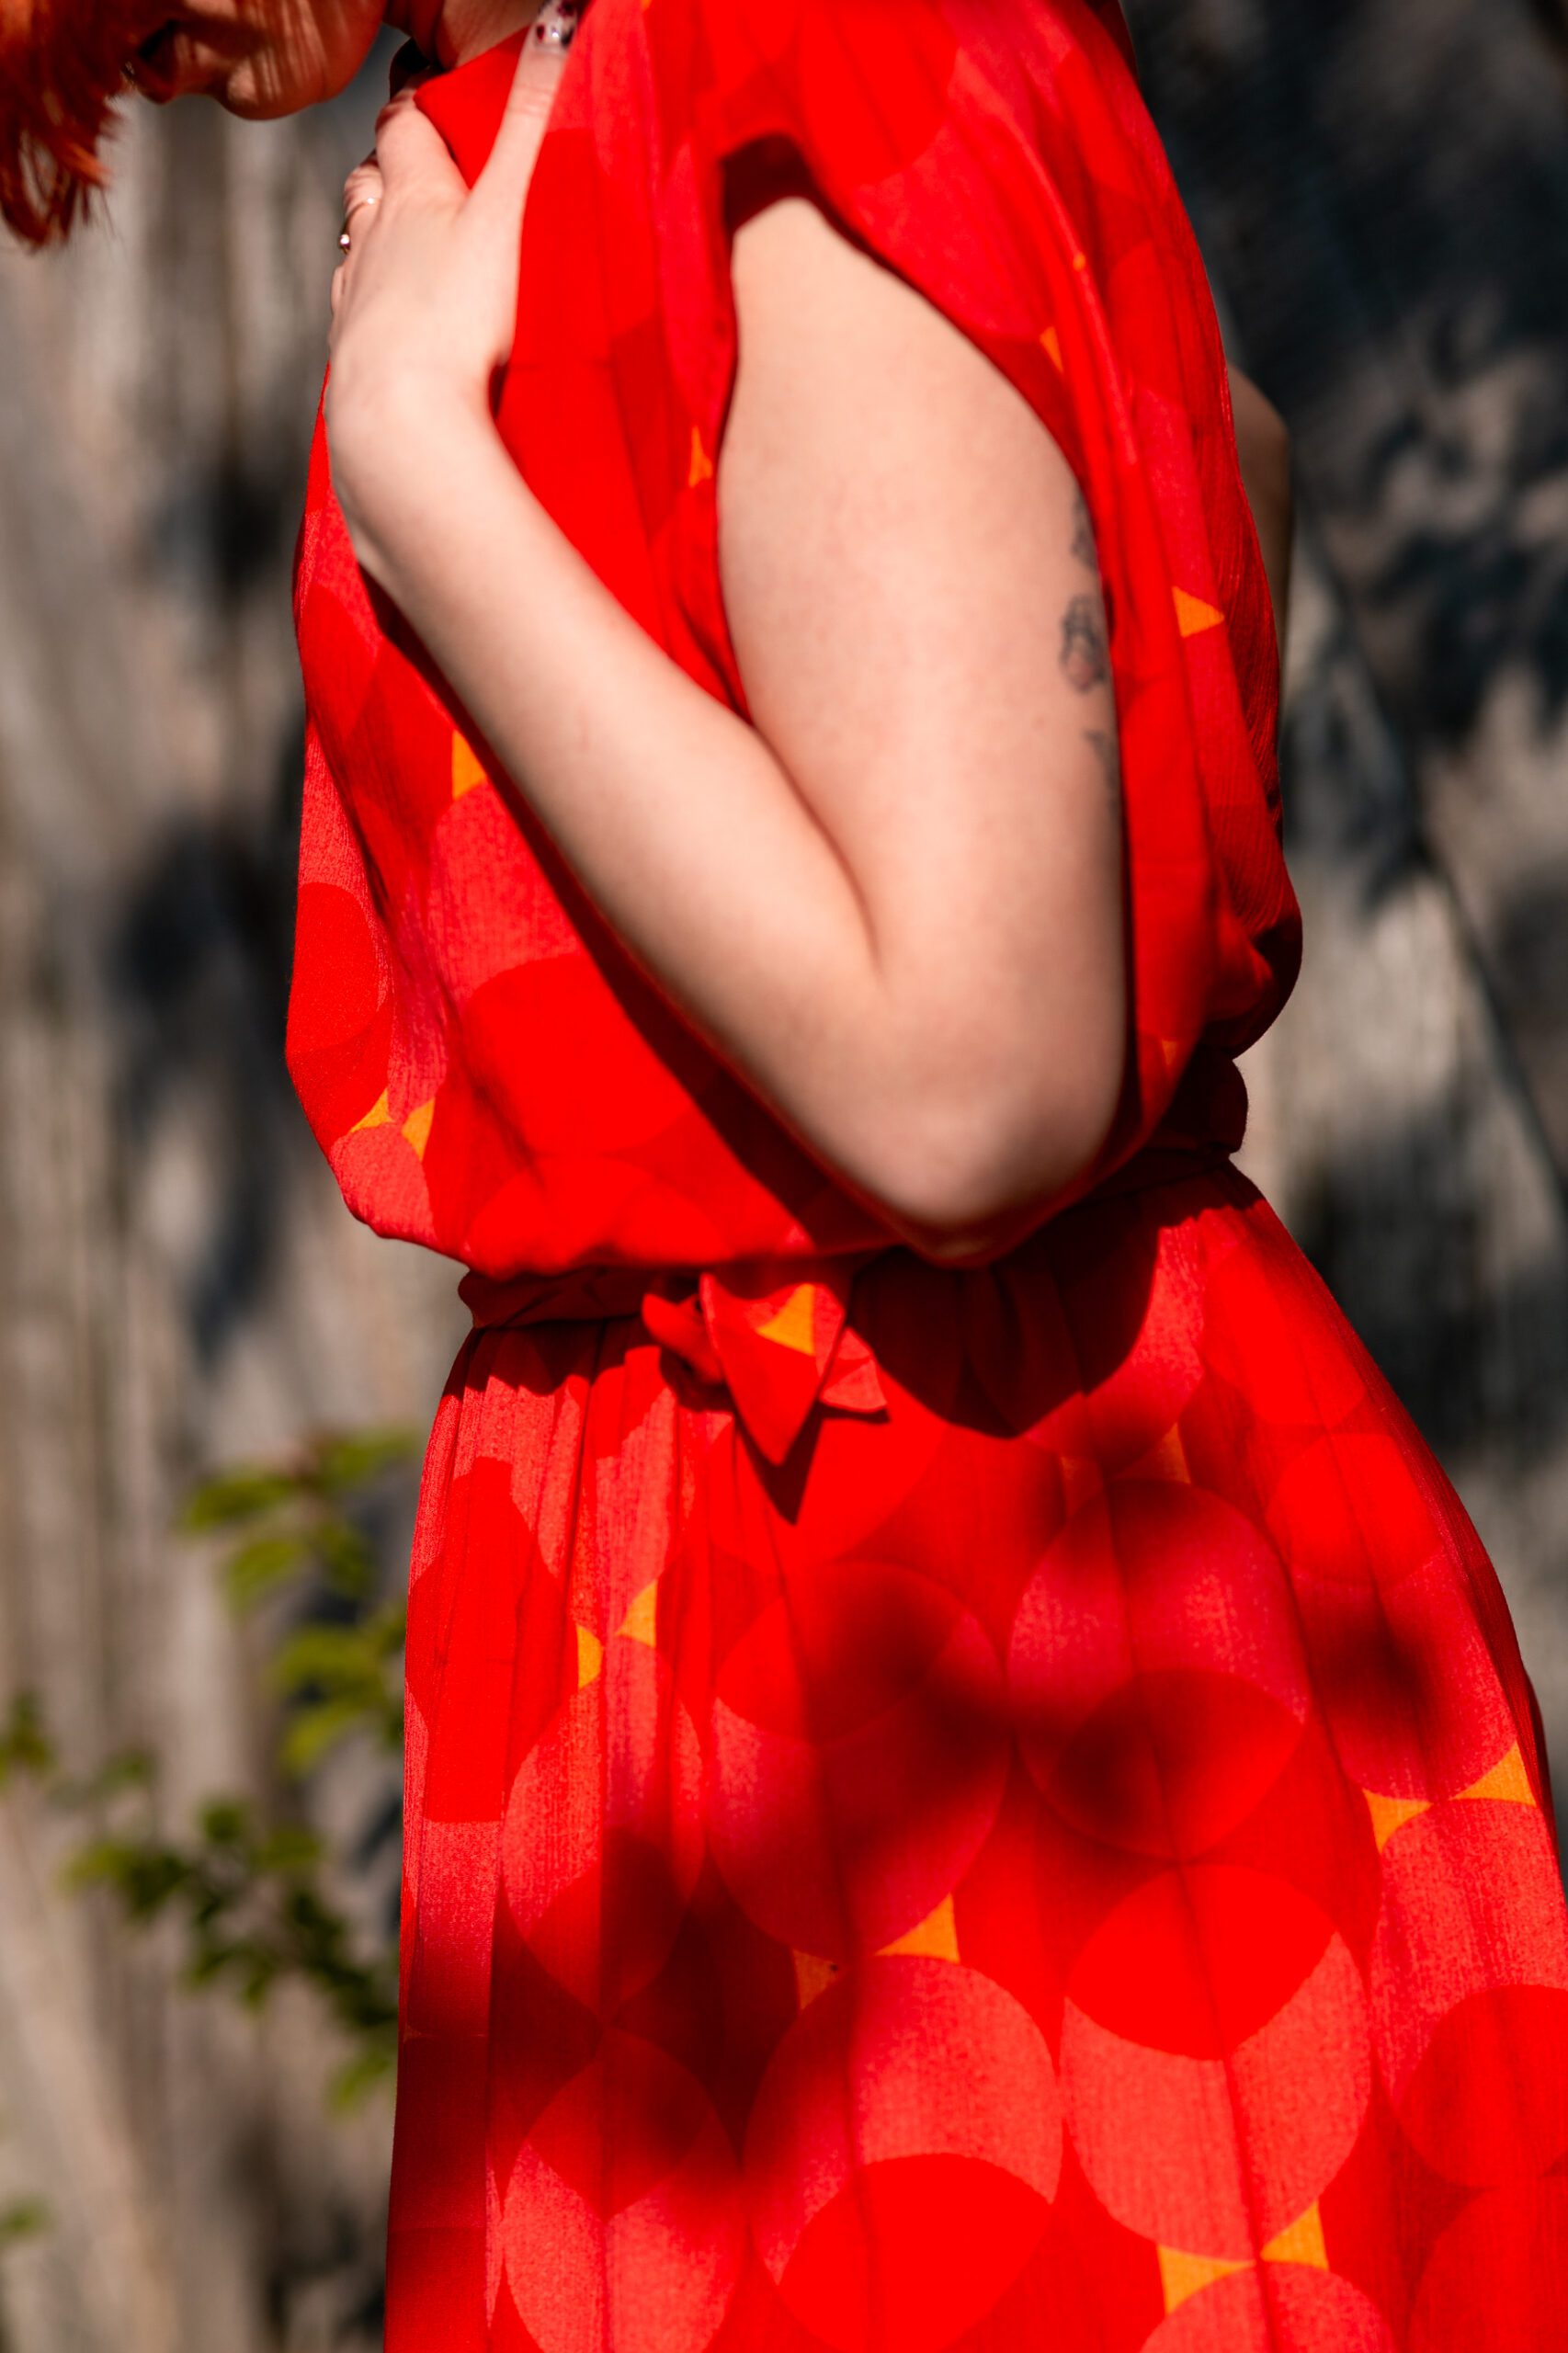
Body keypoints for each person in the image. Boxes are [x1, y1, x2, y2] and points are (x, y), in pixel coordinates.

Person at [5, 2, 1566, 2347]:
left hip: (989, 1630)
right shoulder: (567, 109)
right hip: (677, 1645)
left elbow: (973, 1082)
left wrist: (427, 470)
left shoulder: (802, 53)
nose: (130, 54)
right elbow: (1193, 454)